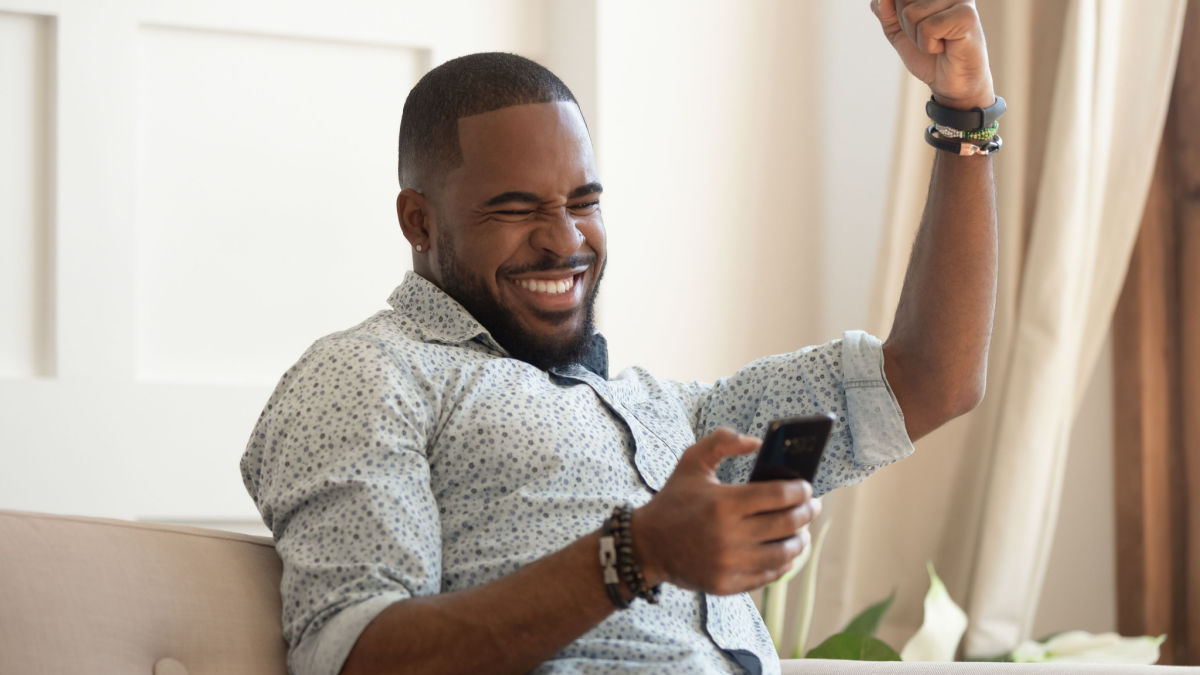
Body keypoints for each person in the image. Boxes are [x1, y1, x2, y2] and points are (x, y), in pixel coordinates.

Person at [240, 0, 999, 673]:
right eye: (515, 209)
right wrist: (637, 553)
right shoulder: (364, 374)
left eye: (584, 200)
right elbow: (358, 655)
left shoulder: (677, 418)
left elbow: (932, 380)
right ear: (419, 220)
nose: (564, 239)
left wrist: (965, 111)